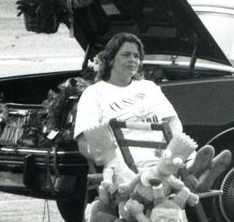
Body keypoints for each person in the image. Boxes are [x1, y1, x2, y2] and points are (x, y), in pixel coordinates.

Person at [73, 32, 182, 167]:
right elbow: (84, 140)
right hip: (128, 160)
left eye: (136, 56)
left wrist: (171, 146)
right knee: (165, 168)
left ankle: (194, 170)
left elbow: (173, 121)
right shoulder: (93, 93)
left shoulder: (149, 87)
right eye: (126, 55)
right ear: (111, 59)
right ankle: (191, 175)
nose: (133, 60)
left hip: (164, 154)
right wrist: (111, 162)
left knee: (184, 155)